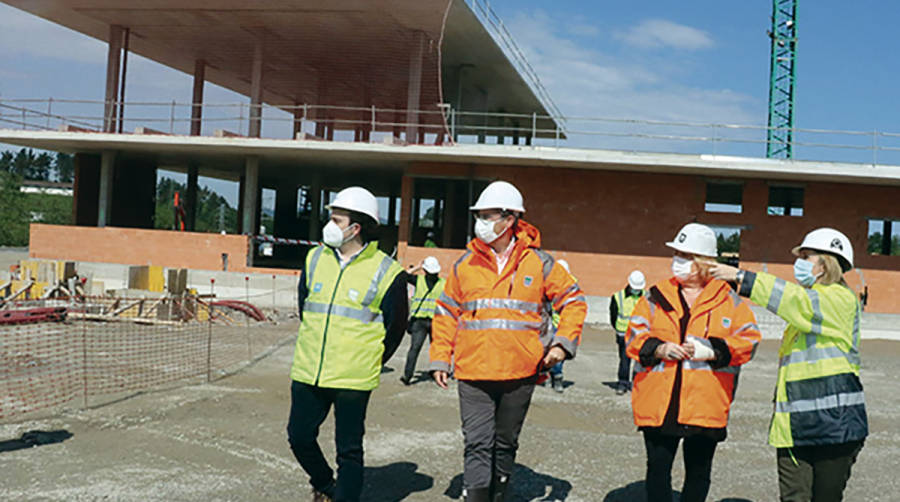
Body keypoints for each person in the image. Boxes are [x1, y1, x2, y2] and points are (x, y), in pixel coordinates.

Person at [429, 181, 587, 502]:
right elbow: (446, 313)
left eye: (488, 216)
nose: (481, 223)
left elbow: (574, 301)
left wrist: (561, 344)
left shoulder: (540, 263)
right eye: (480, 216)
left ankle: (498, 492)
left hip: (521, 372)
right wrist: (440, 358)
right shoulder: (464, 265)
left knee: (504, 443)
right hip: (473, 373)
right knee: (476, 442)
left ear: (510, 219)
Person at [710, 228, 867, 502]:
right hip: (794, 427)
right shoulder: (807, 310)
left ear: (826, 263)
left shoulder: (841, 300)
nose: (800, 263)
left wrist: (740, 277)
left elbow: (797, 301)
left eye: (807, 256)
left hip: (835, 426)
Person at [287, 186, 409, 502]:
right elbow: (305, 307)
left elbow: (396, 327)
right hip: (309, 368)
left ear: (356, 227)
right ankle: (326, 484)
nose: (330, 224)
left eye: (337, 219)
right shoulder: (315, 258)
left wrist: (372, 359)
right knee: (299, 436)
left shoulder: (387, 270)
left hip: (353, 376)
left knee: (349, 451)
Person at [625, 222, 761, 502]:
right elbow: (634, 335)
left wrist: (713, 350)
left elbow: (750, 340)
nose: (678, 262)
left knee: (698, 473)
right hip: (660, 402)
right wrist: (659, 348)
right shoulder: (654, 296)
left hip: (705, 403)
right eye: (677, 254)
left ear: (704, 262)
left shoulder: (729, 300)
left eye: (686, 256)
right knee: (658, 469)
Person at [401, 256, 445, 385]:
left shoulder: (418, 280)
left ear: (425, 270)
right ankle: (436, 373)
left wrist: (417, 267)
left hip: (419, 321)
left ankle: (408, 376)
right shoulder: (443, 283)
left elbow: (403, 275)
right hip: (436, 320)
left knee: (414, 349)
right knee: (436, 348)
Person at [610, 270, 645, 395]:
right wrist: (620, 329)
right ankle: (623, 383)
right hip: (623, 335)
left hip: (641, 335)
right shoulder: (618, 297)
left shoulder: (646, 297)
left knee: (640, 361)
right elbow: (613, 317)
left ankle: (637, 384)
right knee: (624, 360)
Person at [546, 259, 576, 393]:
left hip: (563, 325)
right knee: (547, 351)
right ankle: (551, 375)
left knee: (559, 353)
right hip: (550, 323)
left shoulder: (571, 285)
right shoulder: (549, 281)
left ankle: (556, 377)